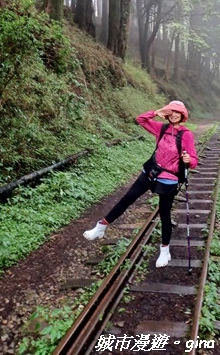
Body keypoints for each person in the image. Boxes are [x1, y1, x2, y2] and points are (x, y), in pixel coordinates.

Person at [83, 101, 198, 268]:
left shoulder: (186, 134)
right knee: (127, 198)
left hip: (169, 177)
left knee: (164, 215)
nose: (174, 115)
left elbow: (193, 159)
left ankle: (165, 251)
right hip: (151, 171)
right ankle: (101, 226)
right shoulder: (162, 128)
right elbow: (141, 120)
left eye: (178, 112)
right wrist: (156, 112)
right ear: (167, 113)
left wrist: (189, 160)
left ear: (183, 115)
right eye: (171, 111)